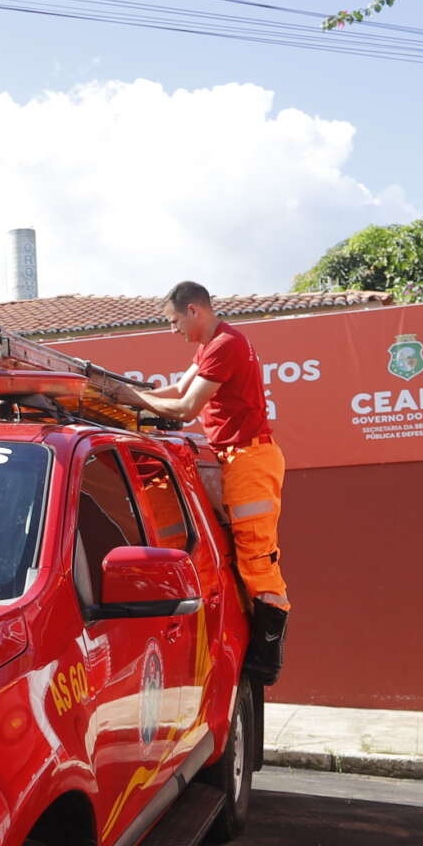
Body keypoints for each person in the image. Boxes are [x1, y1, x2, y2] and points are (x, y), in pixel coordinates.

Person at [135, 280, 290, 685]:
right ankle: (255, 646)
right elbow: (177, 389)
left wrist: (129, 398)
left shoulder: (225, 345)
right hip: (236, 458)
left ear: (194, 311)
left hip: (249, 458)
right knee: (236, 551)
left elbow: (185, 407)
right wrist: (129, 395)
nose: (173, 331)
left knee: (256, 554)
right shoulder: (211, 346)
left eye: (173, 322)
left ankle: (267, 655)